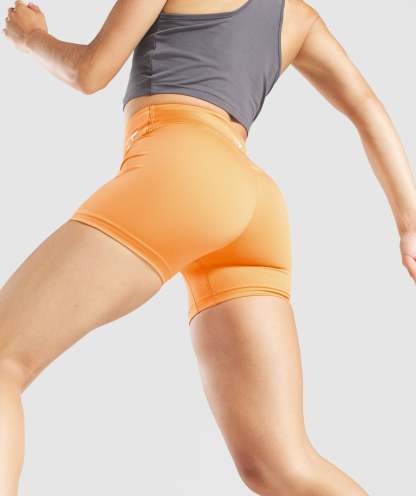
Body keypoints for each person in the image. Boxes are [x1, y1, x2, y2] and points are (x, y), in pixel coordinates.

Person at [2, 0, 415, 494]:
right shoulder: (298, 17)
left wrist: (31, 37)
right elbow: (366, 106)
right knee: (282, 463)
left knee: (5, 360)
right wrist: (409, 223)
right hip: (253, 205)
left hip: (180, 167)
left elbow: (90, 72)